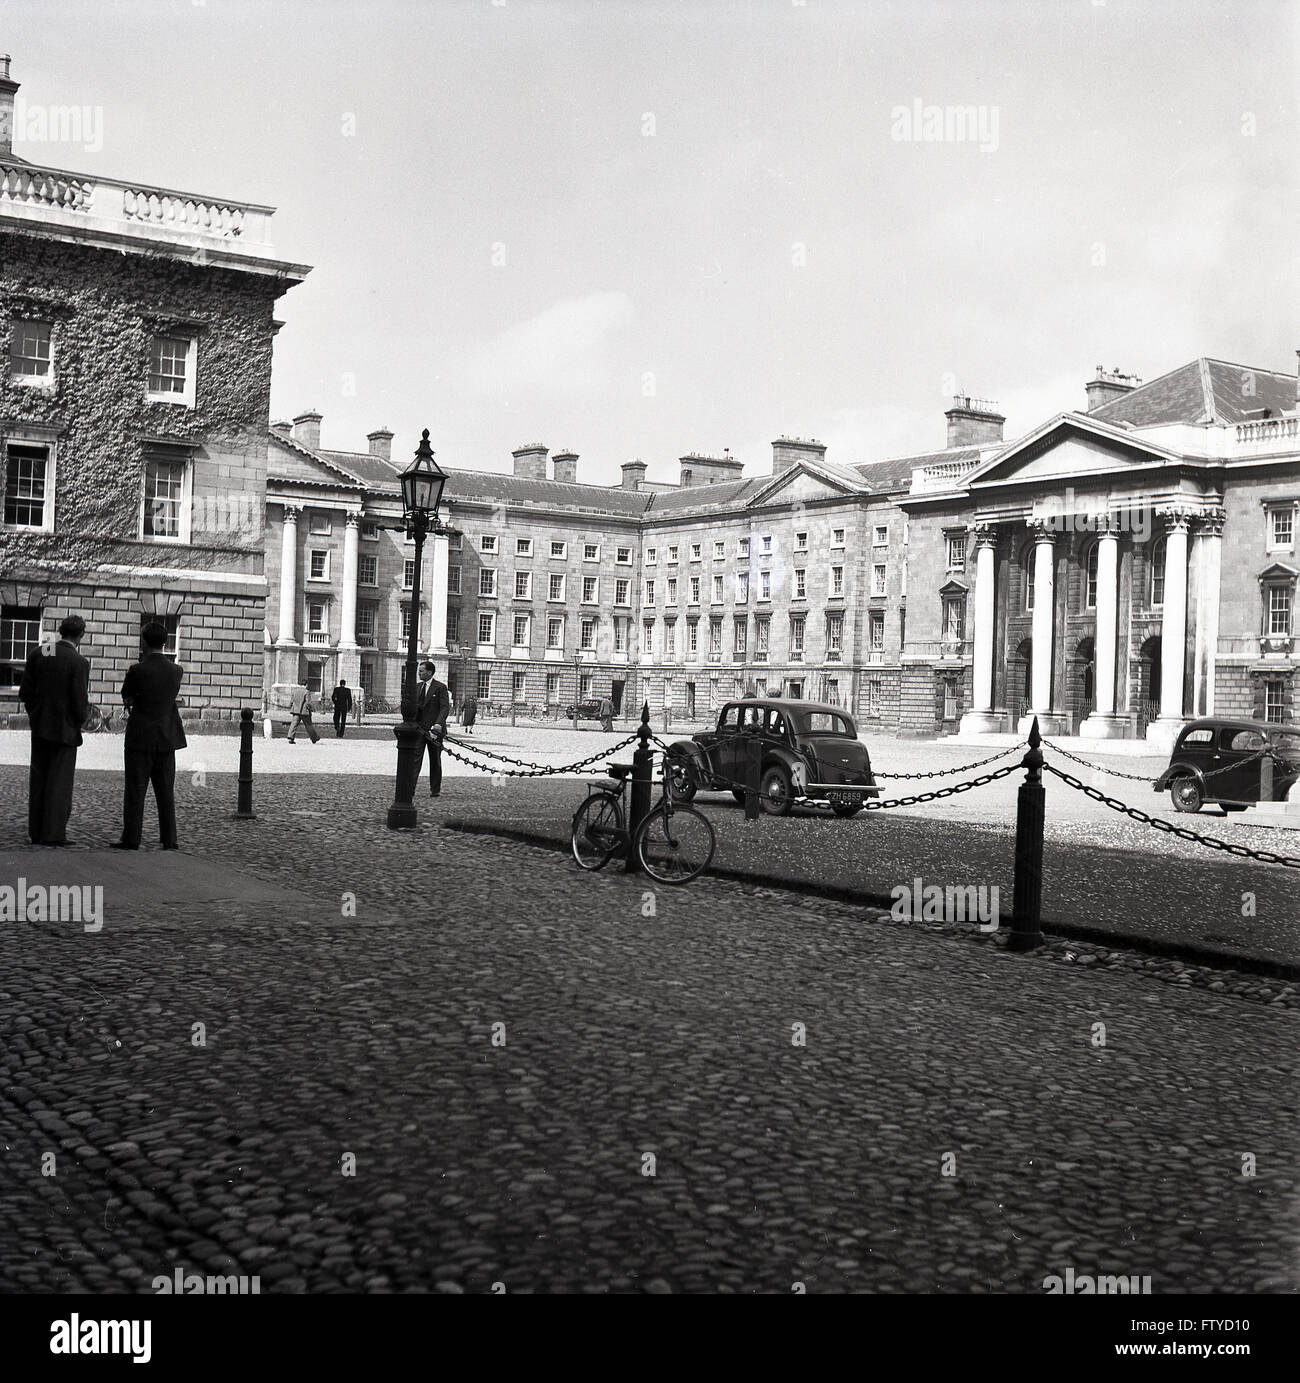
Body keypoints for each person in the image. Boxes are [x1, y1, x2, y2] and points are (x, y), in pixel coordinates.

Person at [112, 622, 186, 851]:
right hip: (166, 736)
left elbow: (127, 697)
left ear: (144, 641)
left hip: (140, 736)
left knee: (135, 790)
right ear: (165, 643)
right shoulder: (176, 670)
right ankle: (169, 839)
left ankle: (132, 838)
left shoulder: (137, 670)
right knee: (166, 792)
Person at [19, 614, 90, 846]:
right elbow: (79, 701)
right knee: (60, 783)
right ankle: (53, 833)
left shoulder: (40, 653)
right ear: (80, 635)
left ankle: (36, 831)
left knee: (39, 779)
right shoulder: (78, 662)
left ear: (60, 631)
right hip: (65, 728)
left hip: (40, 726)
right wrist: (81, 719)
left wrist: (36, 713)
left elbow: (25, 693)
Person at [415, 659, 450, 796]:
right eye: (419, 670)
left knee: (435, 761)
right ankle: (410, 789)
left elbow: (444, 708)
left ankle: (435, 789)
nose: (419, 673)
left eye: (421, 671)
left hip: (435, 731)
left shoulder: (440, 687)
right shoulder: (417, 687)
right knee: (415, 760)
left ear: (429, 672)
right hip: (419, 730)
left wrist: (438, 724)